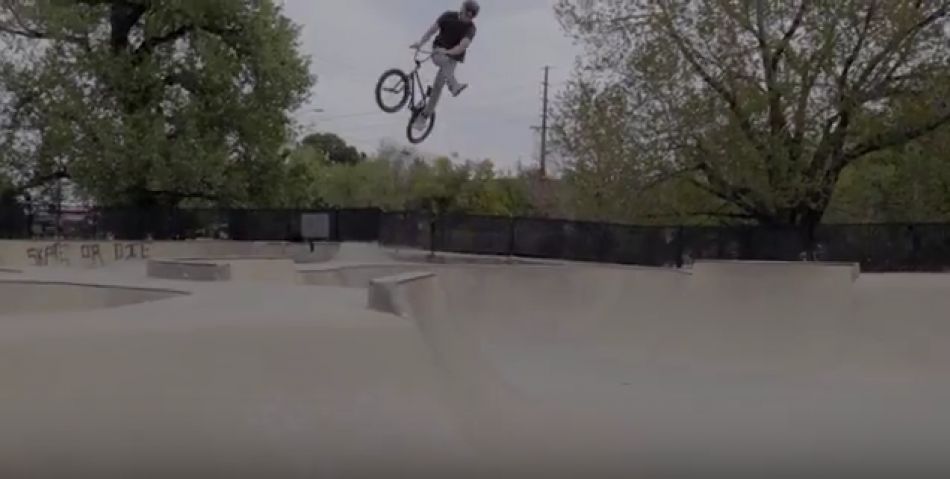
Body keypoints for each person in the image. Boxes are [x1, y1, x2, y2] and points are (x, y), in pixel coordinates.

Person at [409, 0, 480, 131]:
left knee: (438, 87)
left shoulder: (471, 29)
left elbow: (462, 47)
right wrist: (420, 43)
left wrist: (447, 52)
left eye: (471, 17)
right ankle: (454, 85)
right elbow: (432, 30)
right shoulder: (448, 16)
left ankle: (423, 119)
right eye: (466, 14)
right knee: (442, 61)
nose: (467, 18)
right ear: (462, 9)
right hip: (438, 50)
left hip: (452, 57)